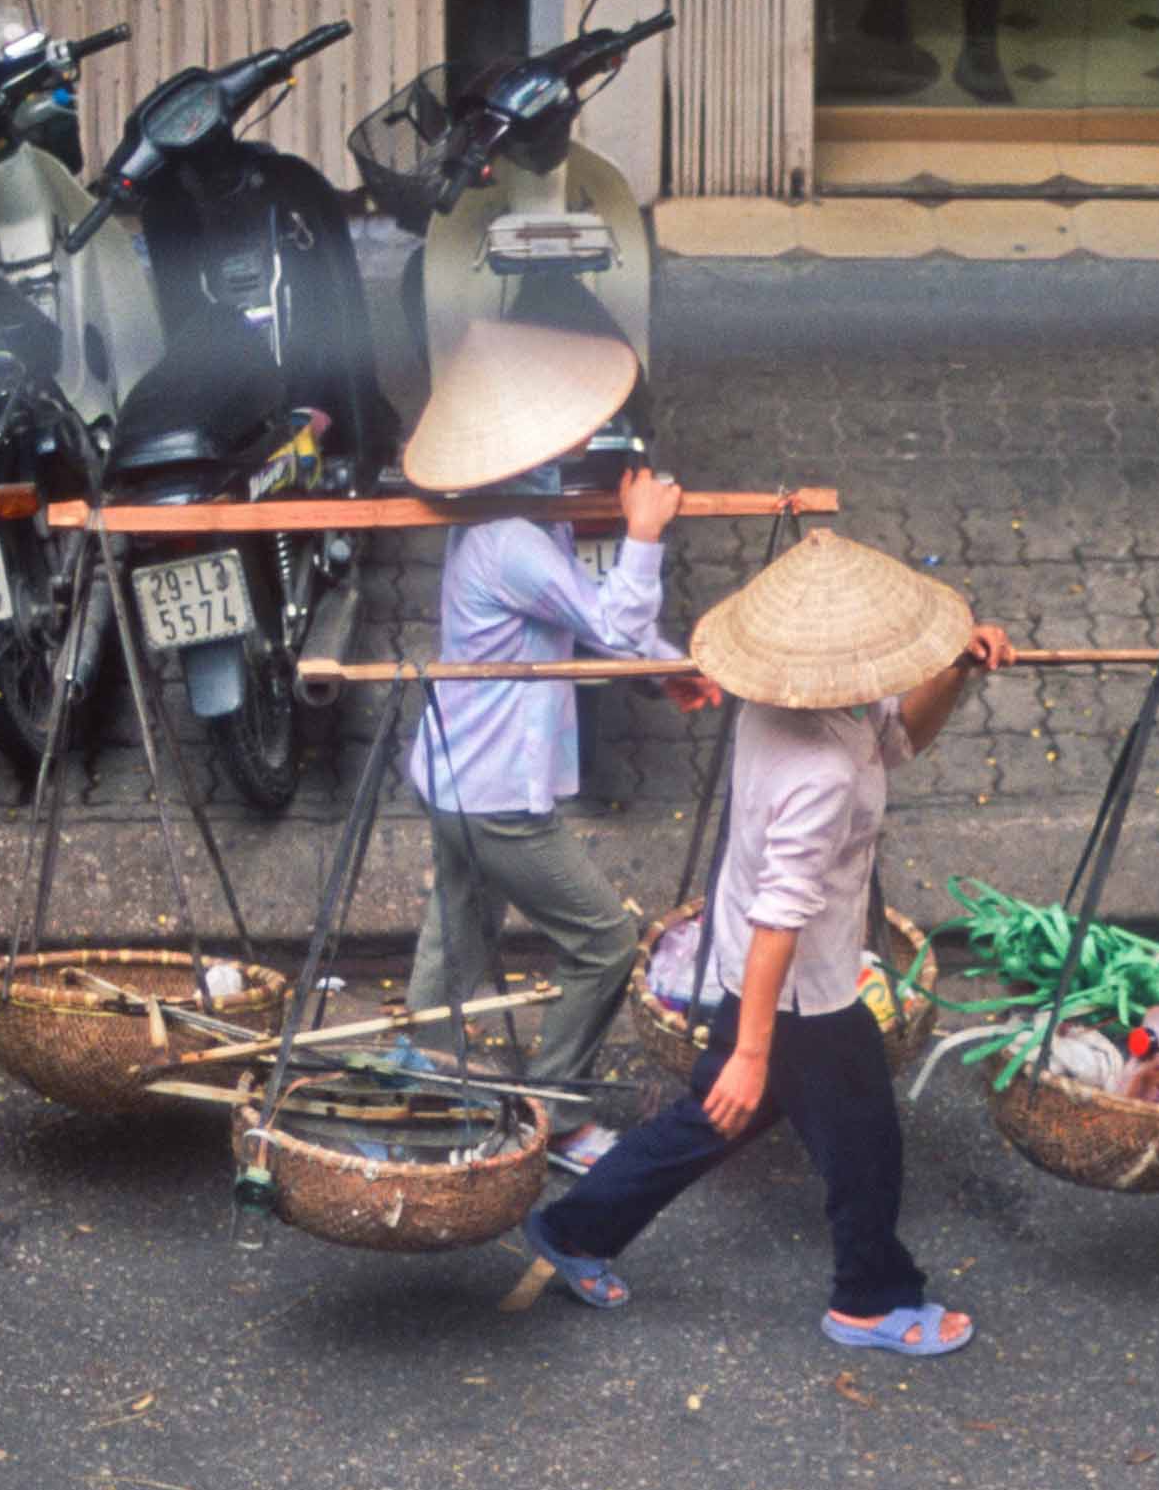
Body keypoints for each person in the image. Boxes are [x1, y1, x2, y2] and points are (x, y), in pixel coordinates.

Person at [524, 528, 1012, 1357]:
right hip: (793, 989)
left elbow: (899, 743)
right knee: (864, 1143)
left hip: (778, 973)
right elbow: (778, 918)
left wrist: (957, 670)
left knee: (713, 1120)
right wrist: (755, 1051)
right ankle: (870, 1299)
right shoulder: (817, 772)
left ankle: (574, 1229)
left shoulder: (810, 699)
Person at [399, 302, 719, 1176]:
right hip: (497, 795)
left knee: (460, 931)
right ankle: (555, 1113)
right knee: (604, 942)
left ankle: (413, 1077)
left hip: (459, 779)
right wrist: (646, 537)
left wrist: (667, 665)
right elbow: (608, 617)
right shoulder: (511, 541)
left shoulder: (524, 528)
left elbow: (588, 620)